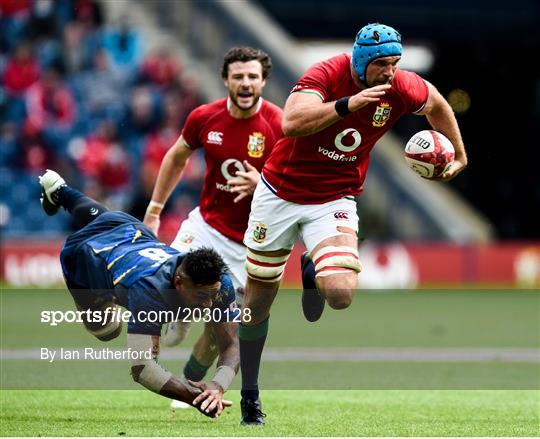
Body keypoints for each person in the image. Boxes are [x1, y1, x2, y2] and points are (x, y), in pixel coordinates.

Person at [239, 23, 468, 425]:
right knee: (257, 304)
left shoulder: (402, 86)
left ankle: (313, 267)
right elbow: (292, 122)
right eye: (381, 64)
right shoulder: (325, 74)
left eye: (395, 63)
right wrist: (349, 103)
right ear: (361, 61)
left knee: (341, 294)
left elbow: (437, 105)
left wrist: (460, 156)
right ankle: (250, 395)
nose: (389, 72)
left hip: (334, 198)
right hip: (279, 194)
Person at [142, 47, 282, 414]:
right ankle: (178, 315)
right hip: (205, 226)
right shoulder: (205, 117)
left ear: (263, 81)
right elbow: (176, 156)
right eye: (239, 76)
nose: (246, 83)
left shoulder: (280, 125)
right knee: (168, 278)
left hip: (251, 244)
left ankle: (191, 384)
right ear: (226, 80)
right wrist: (155, 210)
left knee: (219, 329)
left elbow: (298, 183)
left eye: (253, 76)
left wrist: (264, 185)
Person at [38, 169, 240, 418]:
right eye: (201, 298)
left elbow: (231, 342)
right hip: (84, 256)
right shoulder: (149, 291)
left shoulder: (217, 279)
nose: (210, 305)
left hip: (129, 230)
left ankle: (59, 191)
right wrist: (195, 397)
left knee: (99, 214)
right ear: (178, 283)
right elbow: (142, 369)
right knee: (107, 330)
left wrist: (218, 386)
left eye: (212, 295)